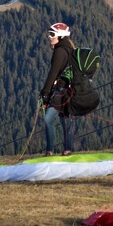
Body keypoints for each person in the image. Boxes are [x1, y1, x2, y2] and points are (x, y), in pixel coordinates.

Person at [41, 22, 76, 156]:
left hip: (60, 91)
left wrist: (45, 93)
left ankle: (50, 150)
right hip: (69, 90)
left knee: (49, 119)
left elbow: (53, 73)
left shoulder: (59, 51)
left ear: (60, 36)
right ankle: (68, 149)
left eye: (52, 34)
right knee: (65, 119)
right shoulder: (69, 49)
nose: (50, 37)